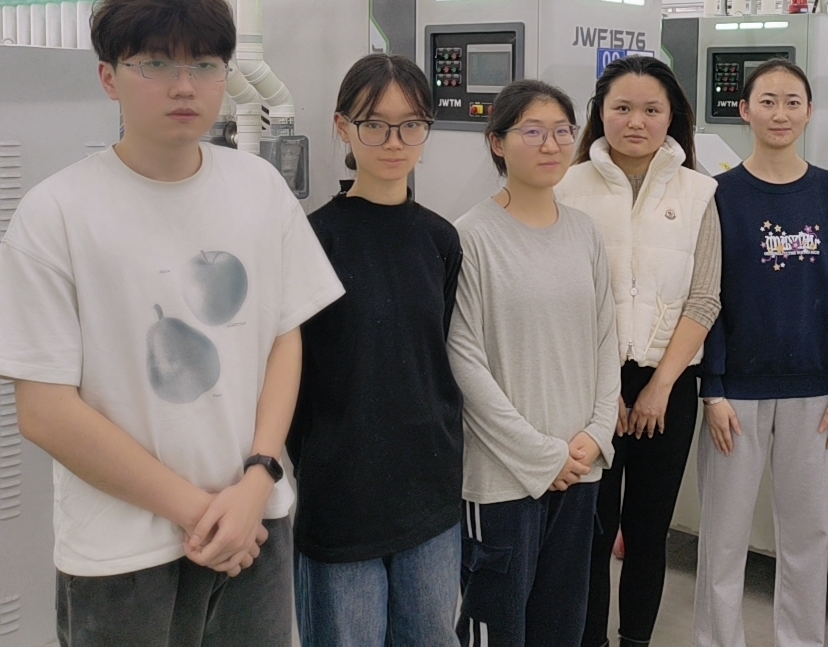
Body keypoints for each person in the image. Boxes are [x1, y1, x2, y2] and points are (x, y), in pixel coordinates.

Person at [0, 0, 345, 647]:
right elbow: (44, 410)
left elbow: (285, 335)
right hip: (122, 551)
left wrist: (259, 476)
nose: (184, 86)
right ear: (109, 78)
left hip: (255, 524)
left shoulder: (259, 188)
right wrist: (199, 511)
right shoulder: (59, 211)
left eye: (205, 65)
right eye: (156, 65)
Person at [287, 54, 463, 647]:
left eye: (411, 125)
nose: (394, 141)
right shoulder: (313, 238)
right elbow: (292, 375)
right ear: (343, 127)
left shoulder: (440, 238)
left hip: (430, 489)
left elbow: (435, 356)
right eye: (375, 125)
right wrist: (316, 460)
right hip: (343, 493)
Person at [694, 59, 828, 647]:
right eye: (767, 101)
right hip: (735, 397)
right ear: (744, 111)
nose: (780, 113)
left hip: (816, 394)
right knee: (722, 538)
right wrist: (712, 388)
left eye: (793, 102)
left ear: (810, 111)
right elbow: (709, 296)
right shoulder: (719, 195)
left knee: (807, 538)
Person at [446, 79, 621, 647]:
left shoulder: (584, 233)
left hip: (580, 469)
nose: (551, 145)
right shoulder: (469, 237)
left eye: (562, 131)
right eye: (533, 132)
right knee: (497, 629)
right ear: (497, 143)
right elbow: (464, 362)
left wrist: (595, 435)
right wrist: (543, 455)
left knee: (562, 627)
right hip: (504, 478)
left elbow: (605, 340)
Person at [556, 56, 721, 647]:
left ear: (672, 116)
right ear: (600, 112)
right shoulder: (565, 186)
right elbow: (564, 298)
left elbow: (704, 299)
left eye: (652, 110)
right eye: (622, 108)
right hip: (586, 388)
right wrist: (609, 393)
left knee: (649, 533)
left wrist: (659, 387)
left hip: (668, 387)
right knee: (591, 535)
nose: (636, 122)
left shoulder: (700, 192)